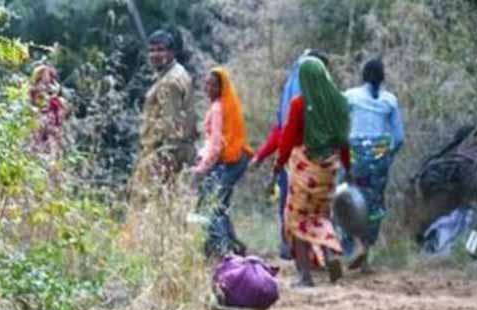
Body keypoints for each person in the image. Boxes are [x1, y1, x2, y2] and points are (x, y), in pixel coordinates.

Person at [274, 57, 351, 287]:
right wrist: (349, 167)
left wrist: (278, 165)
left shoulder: (299, 104)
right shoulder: (338, 102)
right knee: (321, 216)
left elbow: (287, 138)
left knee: (297, 220)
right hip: (329, 170)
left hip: (305, 168)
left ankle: (305, 276)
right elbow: (344, 140)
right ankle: (330, 257)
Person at [251, 50, 331, 259]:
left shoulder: (296, 102)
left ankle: (300, 263)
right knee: (320, 211)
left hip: (299, 163)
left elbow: (284, 133)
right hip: (325, 165)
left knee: (295, 212)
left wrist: (274, 163)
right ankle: (327, 256)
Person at [343, 58, 405, 271]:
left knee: (349, 199)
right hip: (379, 157)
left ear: (363, 75)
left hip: (354, 155)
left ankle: (356, 245)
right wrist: (385, 156)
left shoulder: (349, 96)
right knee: (374, 203)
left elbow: (339, 123)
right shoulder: (390, 100)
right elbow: (398, 138)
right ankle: (366, 256)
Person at [128, 29, 197, 209]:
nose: (155, 55)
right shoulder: (177, 73)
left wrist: (160, 158)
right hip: (177, 150)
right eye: (151, 50)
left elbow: (170, 126)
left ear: (171, 52)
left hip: (166, 152)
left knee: (146, 205)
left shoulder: (170, 82)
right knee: (169, 206)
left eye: (160, 50)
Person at [194, 67, 253, 256]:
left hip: (230, 162)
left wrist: (202, 168)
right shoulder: (223, 104)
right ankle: (233, 247)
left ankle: (223, 251)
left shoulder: (219, 108)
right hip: (235, 160)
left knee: (213, 207)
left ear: (222, 88)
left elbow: (217, 143)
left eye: (213, 85)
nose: (208, 88)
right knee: (220, 206)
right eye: (206, 84)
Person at [28, 63, 68, 155]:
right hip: (39, 121)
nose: (47, 77)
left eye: (49, 74)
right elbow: (33, 105)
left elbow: (61, 111)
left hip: (52, 125)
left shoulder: (55, 91)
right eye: (45, 74)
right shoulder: (34, 90)